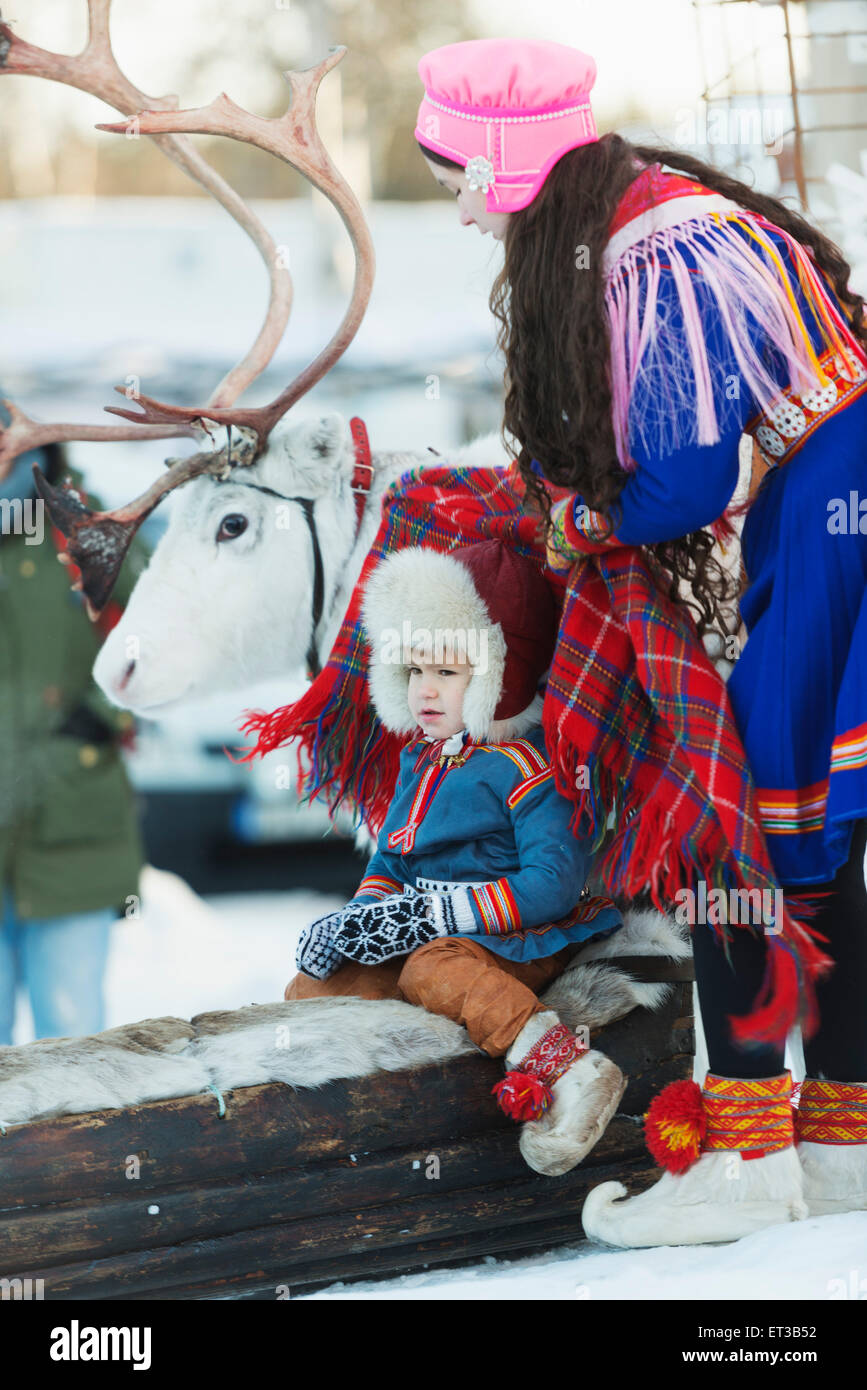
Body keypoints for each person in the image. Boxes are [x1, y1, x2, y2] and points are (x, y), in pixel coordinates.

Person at [412, 36, 867, 1243]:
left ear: (509, 158)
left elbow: (683, 478)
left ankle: (750, 1154)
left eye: (460, 171)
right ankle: (840, 1143)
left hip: (831, 516)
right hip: (831, 496)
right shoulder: (650, 210)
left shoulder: (640, 250)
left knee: (737, 827)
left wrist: (574, 518)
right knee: (809, 838)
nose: (459, 205)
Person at [285, 538, 627, 1176]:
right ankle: (347, 1115)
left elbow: (553, 882)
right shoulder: (420, 759)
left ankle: (571, 1070)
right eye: (415, 671)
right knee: (321, 984)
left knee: (430, 968)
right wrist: (361, 923)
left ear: (498, 673)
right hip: (433, 939)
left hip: (521, 937)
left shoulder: (525, 763)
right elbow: (391, 863)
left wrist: (438, 914)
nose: (425, 690)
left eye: (447, 671)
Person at [0, 415, 147, 1043]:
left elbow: (153, 633)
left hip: (71, 824)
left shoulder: (82, 529)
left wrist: (103, 710)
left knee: (74, 1039)